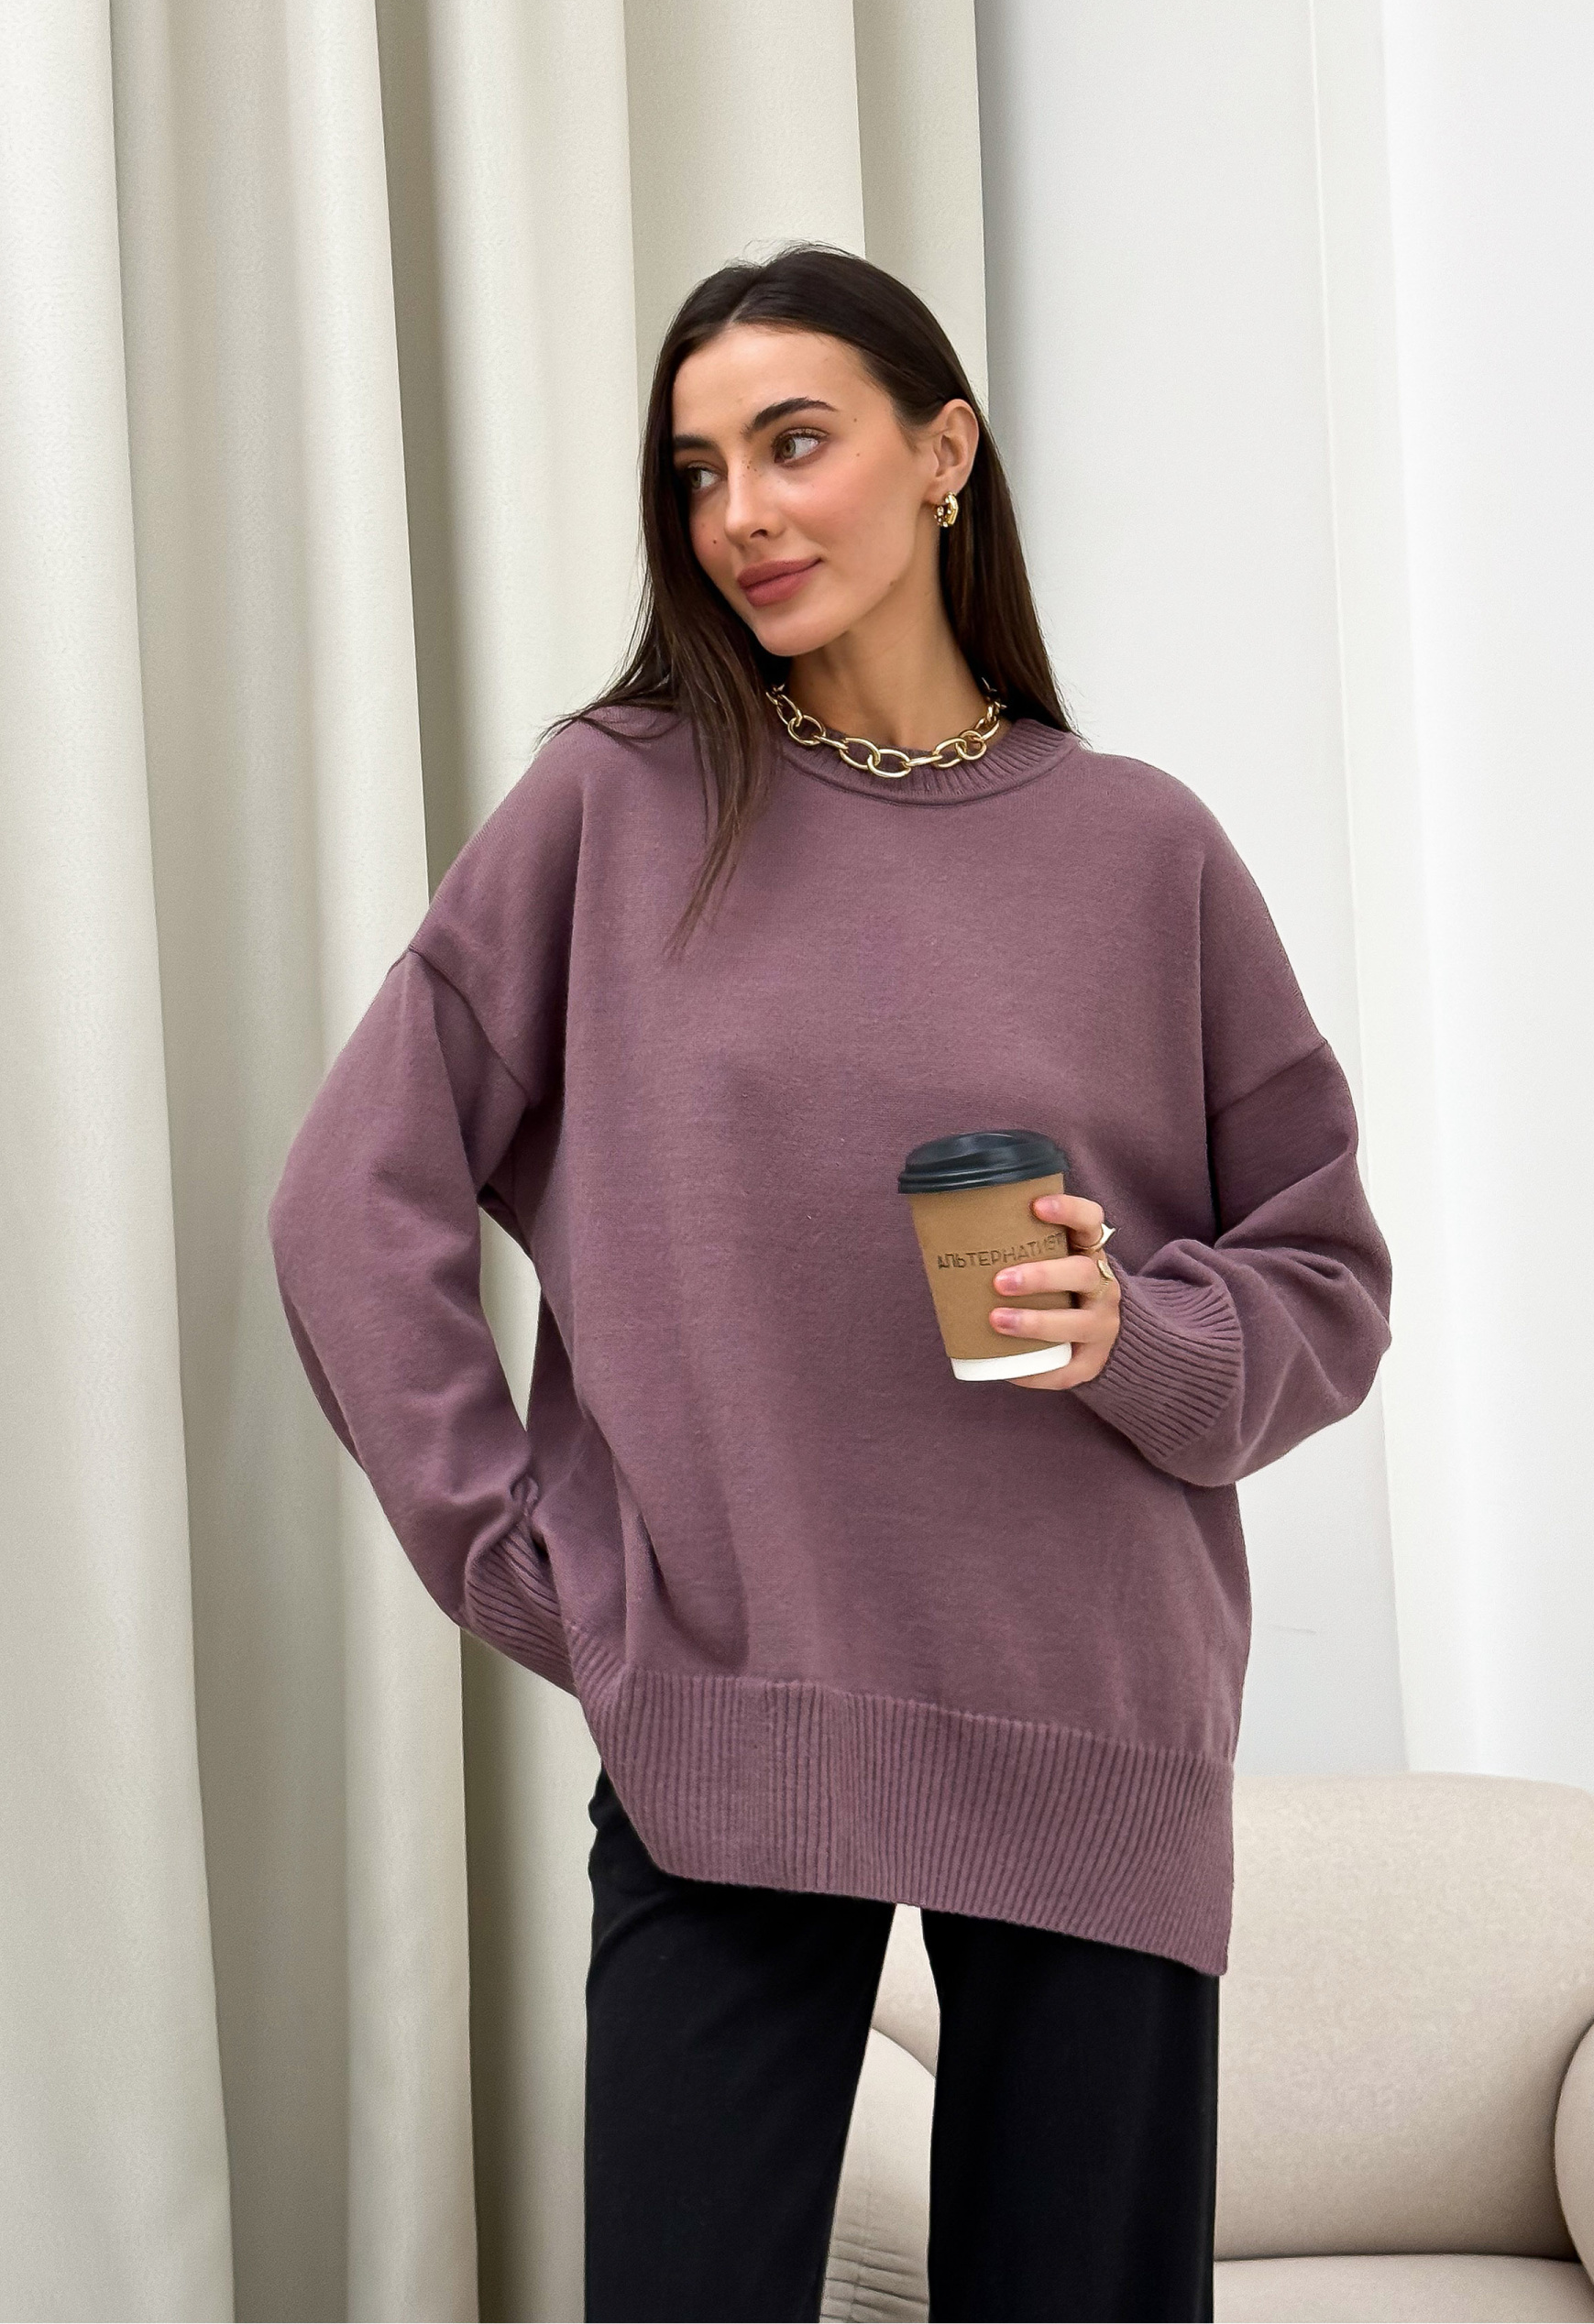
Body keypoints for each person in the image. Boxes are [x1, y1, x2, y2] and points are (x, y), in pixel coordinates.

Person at [266, 240, 1392, 2323]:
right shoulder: (615, 805)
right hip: (724, 1697)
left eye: (793, 445)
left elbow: (1322, 1272)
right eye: (697, 472)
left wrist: (1139, 1336)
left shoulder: (1140, 849)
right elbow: (350, 1199)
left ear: (942, 452)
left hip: (1087, 1700)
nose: (741, 516)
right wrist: (522, 1559)